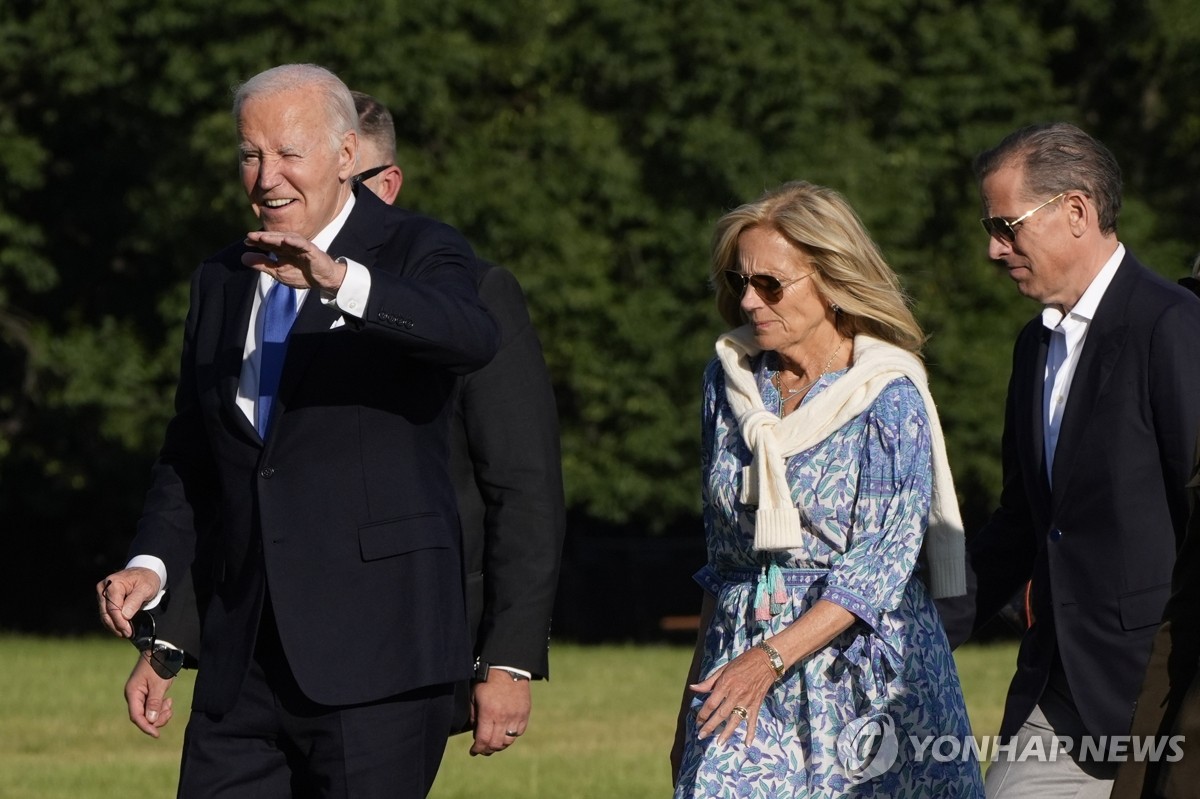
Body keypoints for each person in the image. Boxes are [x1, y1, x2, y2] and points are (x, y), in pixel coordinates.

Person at [116, 89, 566, 762]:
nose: (268, 177)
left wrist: (507, 657)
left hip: (382, 659)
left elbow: (520, 481)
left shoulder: (432, 266)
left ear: (348, 160)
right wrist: (160, 598)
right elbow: (206, 460)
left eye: (290, 154)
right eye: (250, 155)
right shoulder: (221, 278)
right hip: (243, 670)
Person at [671, 180, 983, 797]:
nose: (752, 301)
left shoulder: (888, 395)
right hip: (742, 658)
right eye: (740, 283)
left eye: (771, 284)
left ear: (832, 281)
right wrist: (693, 700)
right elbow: (725, 563)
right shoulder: (726, 385)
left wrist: (772, 660)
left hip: (865, 668)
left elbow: (880, 566)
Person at [940, 122, 1200, 797]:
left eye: (1006, 226)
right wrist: (926, 629)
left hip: (1160, 690)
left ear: (1076, 211)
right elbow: (1024, 523)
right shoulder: (1033, 348)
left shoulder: (1173, 326)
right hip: (1056, 695)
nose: (993, 249)